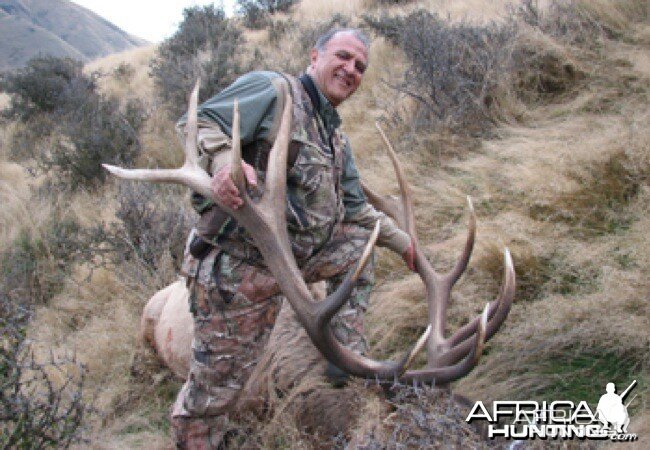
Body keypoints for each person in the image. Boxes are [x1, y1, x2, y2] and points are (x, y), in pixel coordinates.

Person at [172, 28, 415, 448]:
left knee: (360, 241)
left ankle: (344, 359)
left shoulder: (334, 136)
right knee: (217, 390)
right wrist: (221, 165)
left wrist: (405, 245)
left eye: (360, 66)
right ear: (314, 55)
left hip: (297, 260)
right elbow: (198, 124)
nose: (351, 70)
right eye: (343, 57)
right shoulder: (273, 90)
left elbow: (358, 210)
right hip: (241, 264)